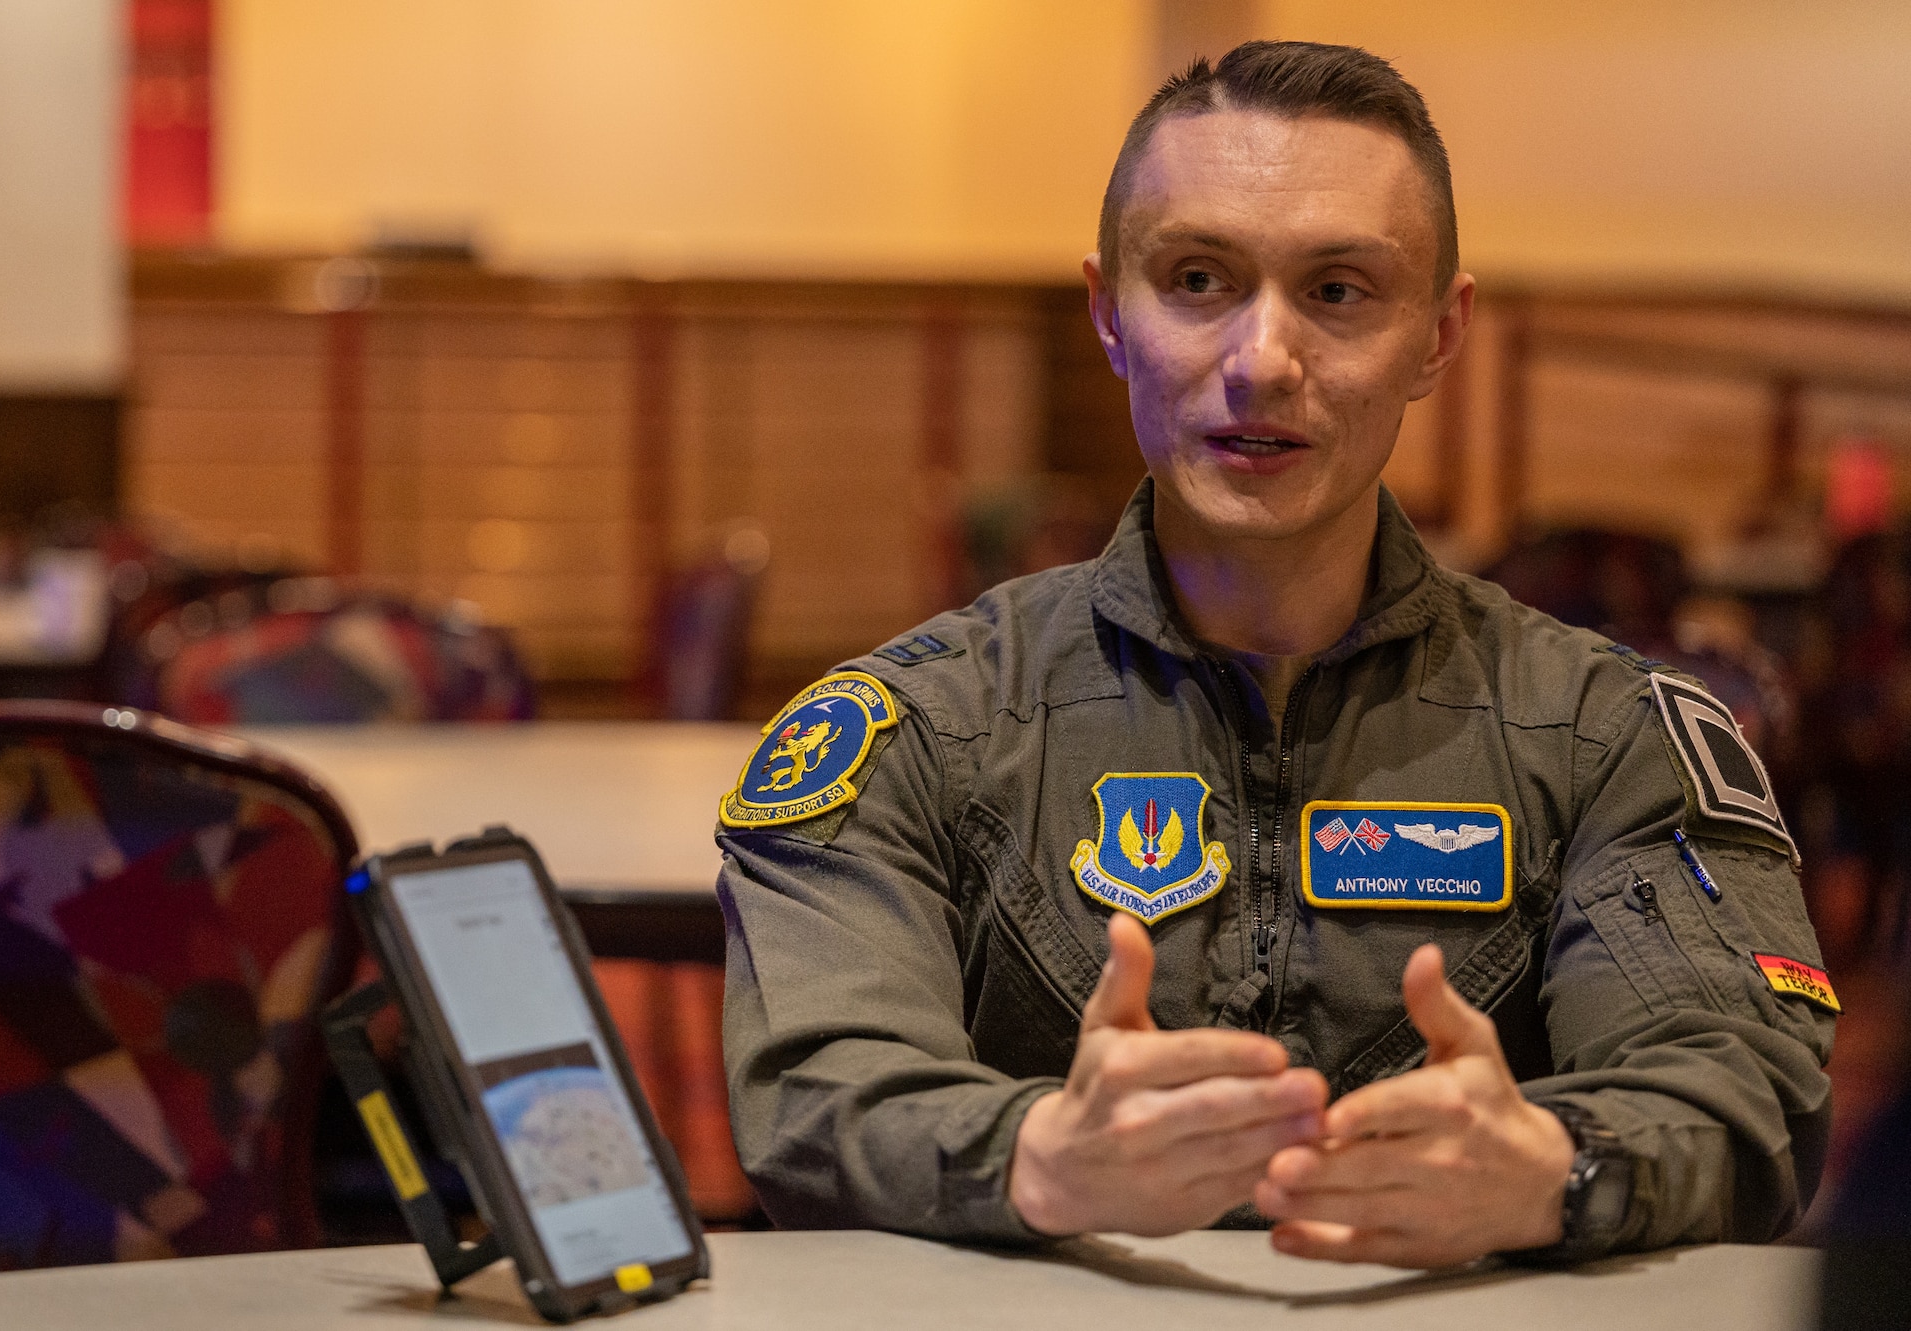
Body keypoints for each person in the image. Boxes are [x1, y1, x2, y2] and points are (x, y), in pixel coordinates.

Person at [714, 41, 1834, 1268]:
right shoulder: (910, 729)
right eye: (1196, 278)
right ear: (1107, 311)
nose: (1260, 359)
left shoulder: (1605, 733)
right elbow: (812, 1094)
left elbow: (1745, 1089)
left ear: (1438, 336)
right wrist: (1032, 1149)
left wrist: (1554, 1165)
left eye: (1339, 290)